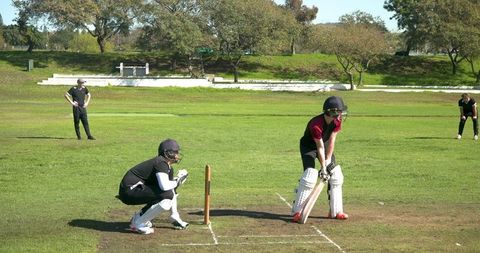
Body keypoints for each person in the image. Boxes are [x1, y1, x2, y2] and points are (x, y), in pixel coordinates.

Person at [292, 96, 348, 222]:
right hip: (309, 147)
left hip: (326, 144)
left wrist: (328, 162)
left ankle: (336, 211)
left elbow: (331, 140)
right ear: (330, 112)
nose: (340, 115)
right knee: (310, 175)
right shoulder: (315, 124)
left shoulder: (337, 121)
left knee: (335, 174)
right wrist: (323, 168)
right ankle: (298, 211)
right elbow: (319, 147)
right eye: (338, 112)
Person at [118, 139, 189, 234]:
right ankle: (138, 223)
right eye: (176, 152)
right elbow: (165, 187)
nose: (178, 155)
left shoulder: (167, 167)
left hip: (134, 190)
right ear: (168, 153)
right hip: (129, 191)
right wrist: (178, 181)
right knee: (166, 195)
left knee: (167, 193)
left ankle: (139, 218)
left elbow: (171, 189)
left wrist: (174, 214)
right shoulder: (161, 163)